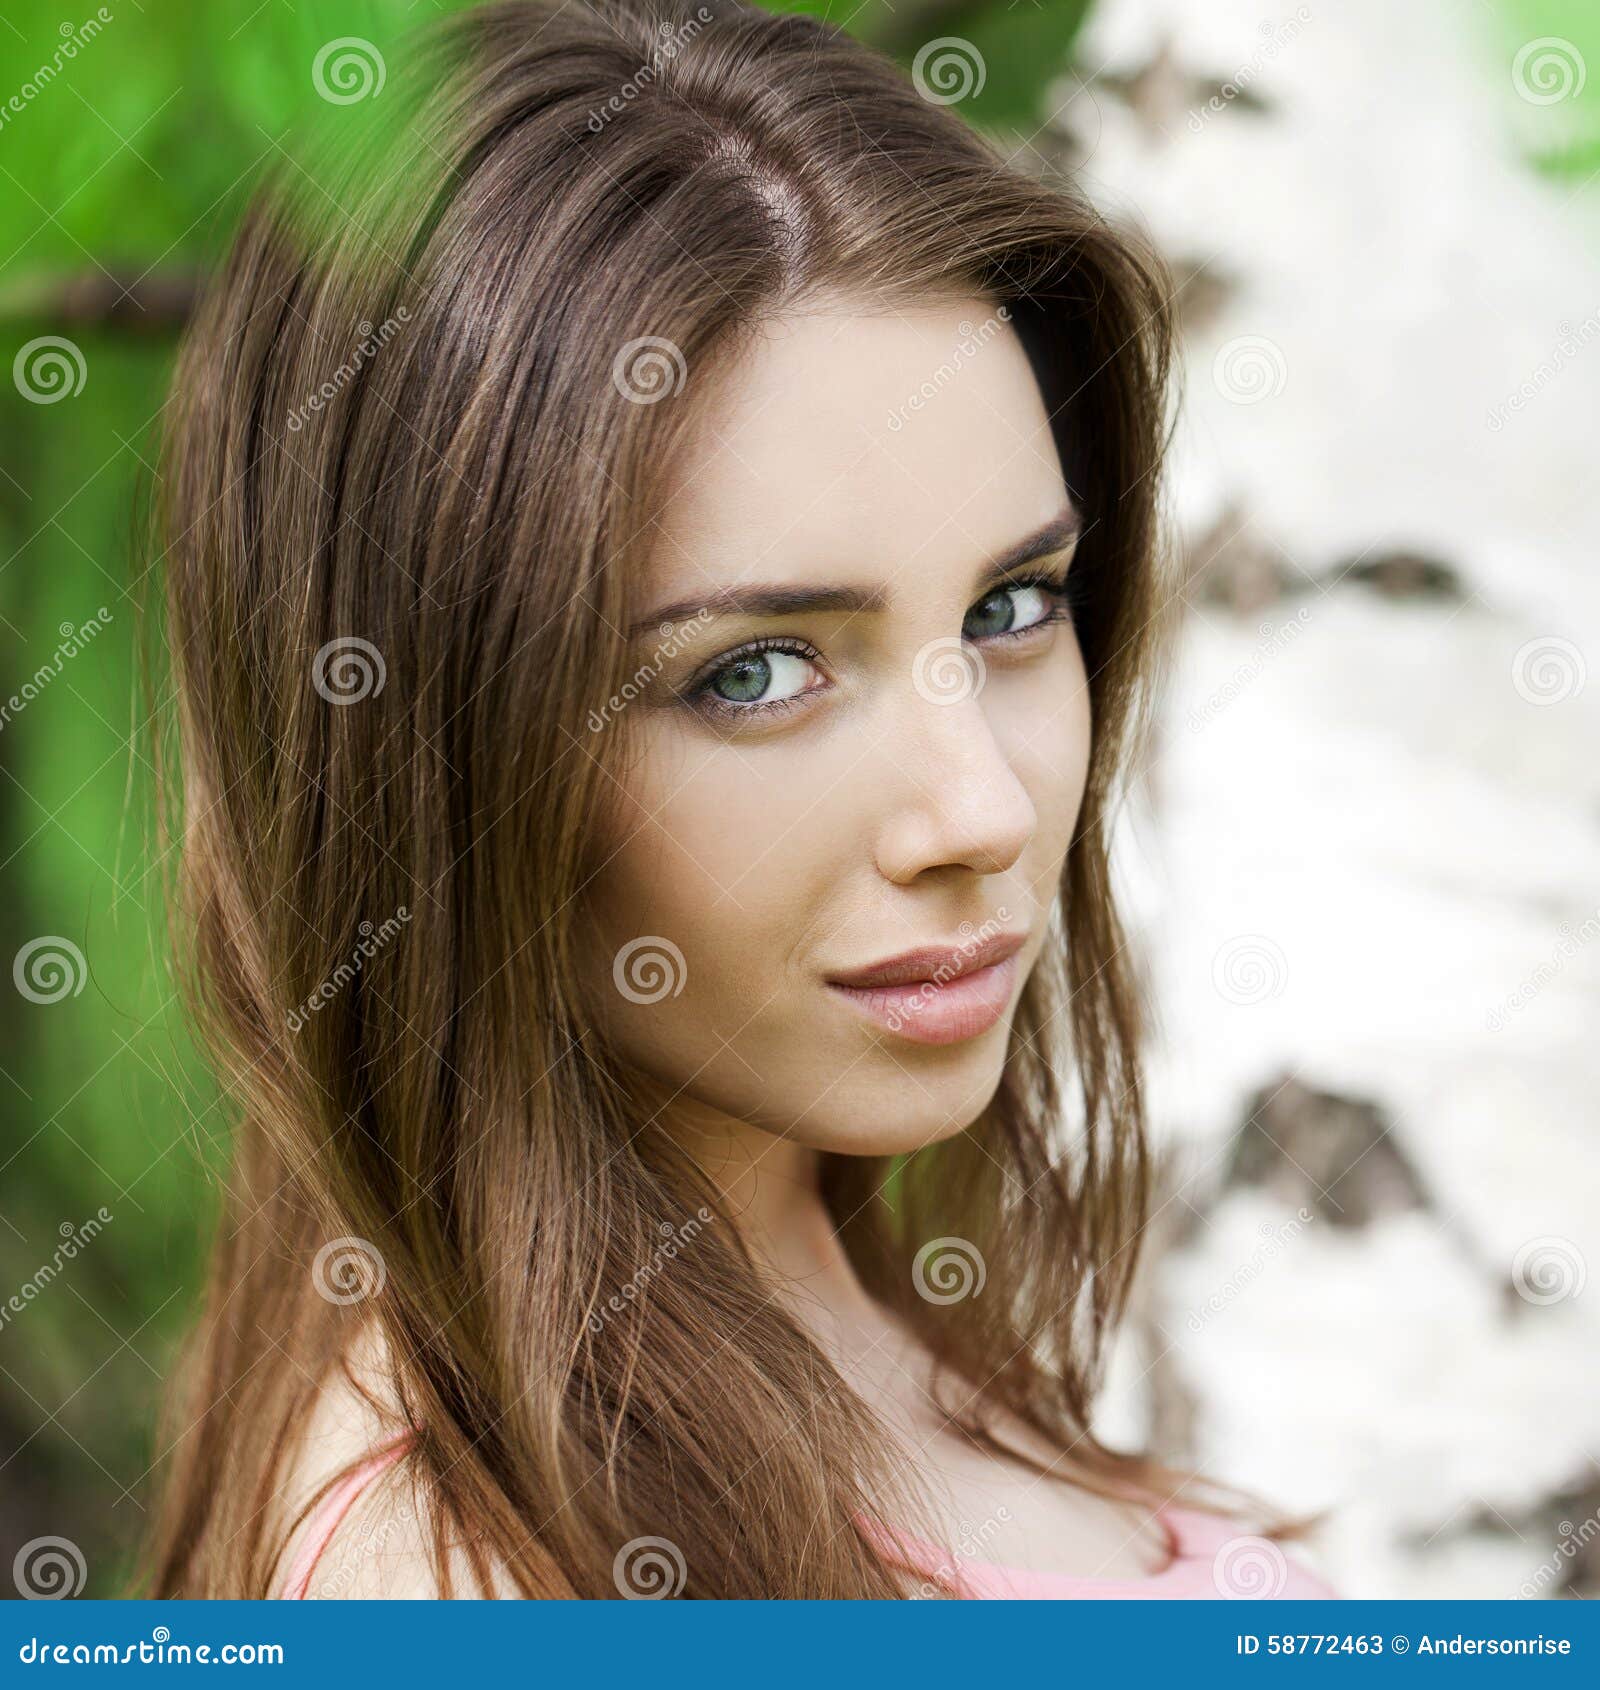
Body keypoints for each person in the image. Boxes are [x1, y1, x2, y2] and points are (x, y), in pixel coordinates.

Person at [141, 0, 1337, 1600]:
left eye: (1009, 609)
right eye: (757, 672)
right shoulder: (456, 1563)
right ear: (426, 750)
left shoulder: (820, 1335)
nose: (979, 809)